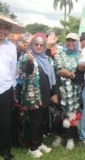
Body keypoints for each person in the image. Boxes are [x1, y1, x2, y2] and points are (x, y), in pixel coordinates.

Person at [20, 33, 57, 158]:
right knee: (35, 121)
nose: (39, 47)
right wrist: (29, 61)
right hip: (34, 97)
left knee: (42, 121)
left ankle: (39, 142)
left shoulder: (46, 59)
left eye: (42, 44)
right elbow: (26, 70)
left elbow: (51, 78)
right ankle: (33, 147)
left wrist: (53, 93)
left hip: (45, 95)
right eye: (36, 44)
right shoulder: (28, 57)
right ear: (32, 44)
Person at [52, 33, 82, 150]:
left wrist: (70, 75)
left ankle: (70, 139)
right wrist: (71, 74)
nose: (71, 43)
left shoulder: (80, 56)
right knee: (60, 113)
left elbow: (81, 72)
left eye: (73, 40)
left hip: (75, 91)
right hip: (61, 89)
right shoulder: (60, 54)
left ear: (77, 42)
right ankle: (59, 136)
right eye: (68, 40)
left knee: (73, 114)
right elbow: (59, 71)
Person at [0, 16, 24, 160]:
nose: (2, 31)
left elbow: (13, 68)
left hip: (6, 89)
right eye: (0, 27)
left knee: (6, 121)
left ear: (9, 32)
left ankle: (5, 151)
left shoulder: (11, 47)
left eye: (5, 28)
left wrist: (12, 87)